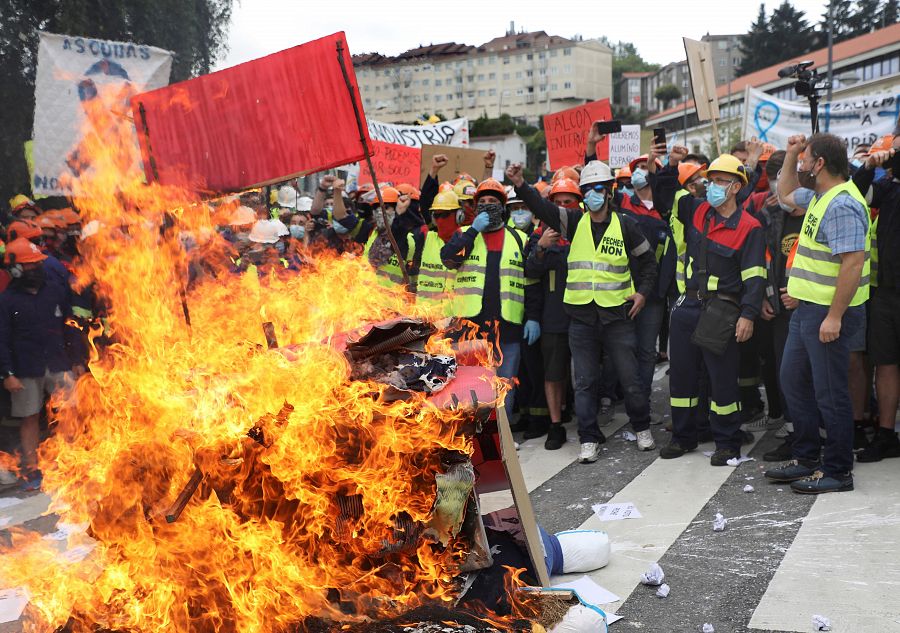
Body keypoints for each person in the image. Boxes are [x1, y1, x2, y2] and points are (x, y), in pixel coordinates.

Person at [508, 160, 658, 460]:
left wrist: (642, 294)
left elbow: (649, 264)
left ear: (609, 191)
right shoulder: (574, 222)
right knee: (585, 382)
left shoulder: (627, 225)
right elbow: (542, 208)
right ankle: (588, 437)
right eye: (587, 190)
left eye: (597, 189)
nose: (591, 195)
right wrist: (521, 184)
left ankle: (642, 427)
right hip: (581, 318)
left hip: (617, 316)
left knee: (630, 379)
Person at [765, 133, 871, 494]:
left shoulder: (841, 203)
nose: (801, 165)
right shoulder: (820, 197)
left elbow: (852, 264)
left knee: (830, 393)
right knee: (792, 379)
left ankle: (838, 470)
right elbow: (784, 194)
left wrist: (835, 317)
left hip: (828, 314)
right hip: (807, 311)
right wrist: (793, 151)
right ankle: (807, 456)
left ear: (820, 164)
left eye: (805, 158)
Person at [659, 154, 766, 466]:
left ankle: (727, 442)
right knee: (681, 379)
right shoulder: (698, 210)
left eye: (720, 181)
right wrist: (666, 163)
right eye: (712, 179)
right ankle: (683, 436)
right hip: (688, 306)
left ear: (735, 188)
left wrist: (748, 315)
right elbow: (666, 193)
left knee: (722, 380)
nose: (712, 185)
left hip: (722, 310)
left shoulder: (750, 227)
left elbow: (755, 277)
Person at [440, 178, 533, 423]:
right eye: (483, 202)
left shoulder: (519, 239)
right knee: (471, 386)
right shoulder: (465, 235)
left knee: (504, 385)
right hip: (470, 327)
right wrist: (473, 231)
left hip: (508, 326)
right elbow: (448, 259)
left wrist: (532, 317)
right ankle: (473, 438)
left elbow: (530, 283)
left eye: (493, 201)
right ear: (475, 206)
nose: (488, 205)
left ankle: (504, 437)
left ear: (503, 207)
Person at [0, 239, 78, 490]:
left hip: (57, 362)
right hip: (25, 368)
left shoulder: (54, 290)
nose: (36, 269)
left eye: (37, 264)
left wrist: (76, 359)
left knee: (70, 412)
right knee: (30, 418)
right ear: (15, 270)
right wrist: (7, 374)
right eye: (30, 265)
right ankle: (33, 470)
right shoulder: (6, 301)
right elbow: (1, 339)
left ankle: (72, 462)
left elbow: (71, 325)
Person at [851, 134, 900, 462]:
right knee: (886, 362)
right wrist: (869, 165)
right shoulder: (889, 188)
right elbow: (855, 193)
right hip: (886, 292)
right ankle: (885, 434)